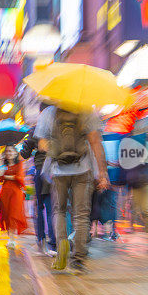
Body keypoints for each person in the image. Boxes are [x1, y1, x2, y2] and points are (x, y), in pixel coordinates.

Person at [37, 106, 109, 272]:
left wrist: (57, 147)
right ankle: (78, 259)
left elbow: (42, 145)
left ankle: (62, 242)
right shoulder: (86, 110)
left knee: (59, 210)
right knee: (81, 215)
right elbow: (95, 142)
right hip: (83, 169)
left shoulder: (49, 112)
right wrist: (102, 172)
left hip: (58, 171)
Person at [21, 126, 56, 255]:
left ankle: (41, 239)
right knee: (53, 208)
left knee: (40, 207)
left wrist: (28, 143)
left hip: (42, 171)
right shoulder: (57, 125)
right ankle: (54, 242)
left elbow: (25, 153)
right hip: (58, 171)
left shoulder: (36, 129)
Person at [0, 145, 28, 248]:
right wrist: (1, 161)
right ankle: (10, 238)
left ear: (15, 153)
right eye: (7, 151)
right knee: (6, 214)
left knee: (14, 215)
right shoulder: (4, 165)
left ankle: (13, 239)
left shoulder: (20, 164)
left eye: (11, 151)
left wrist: (7, 176)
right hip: (5, 193)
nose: (9, 153)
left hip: (16, 193)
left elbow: (19, 178)